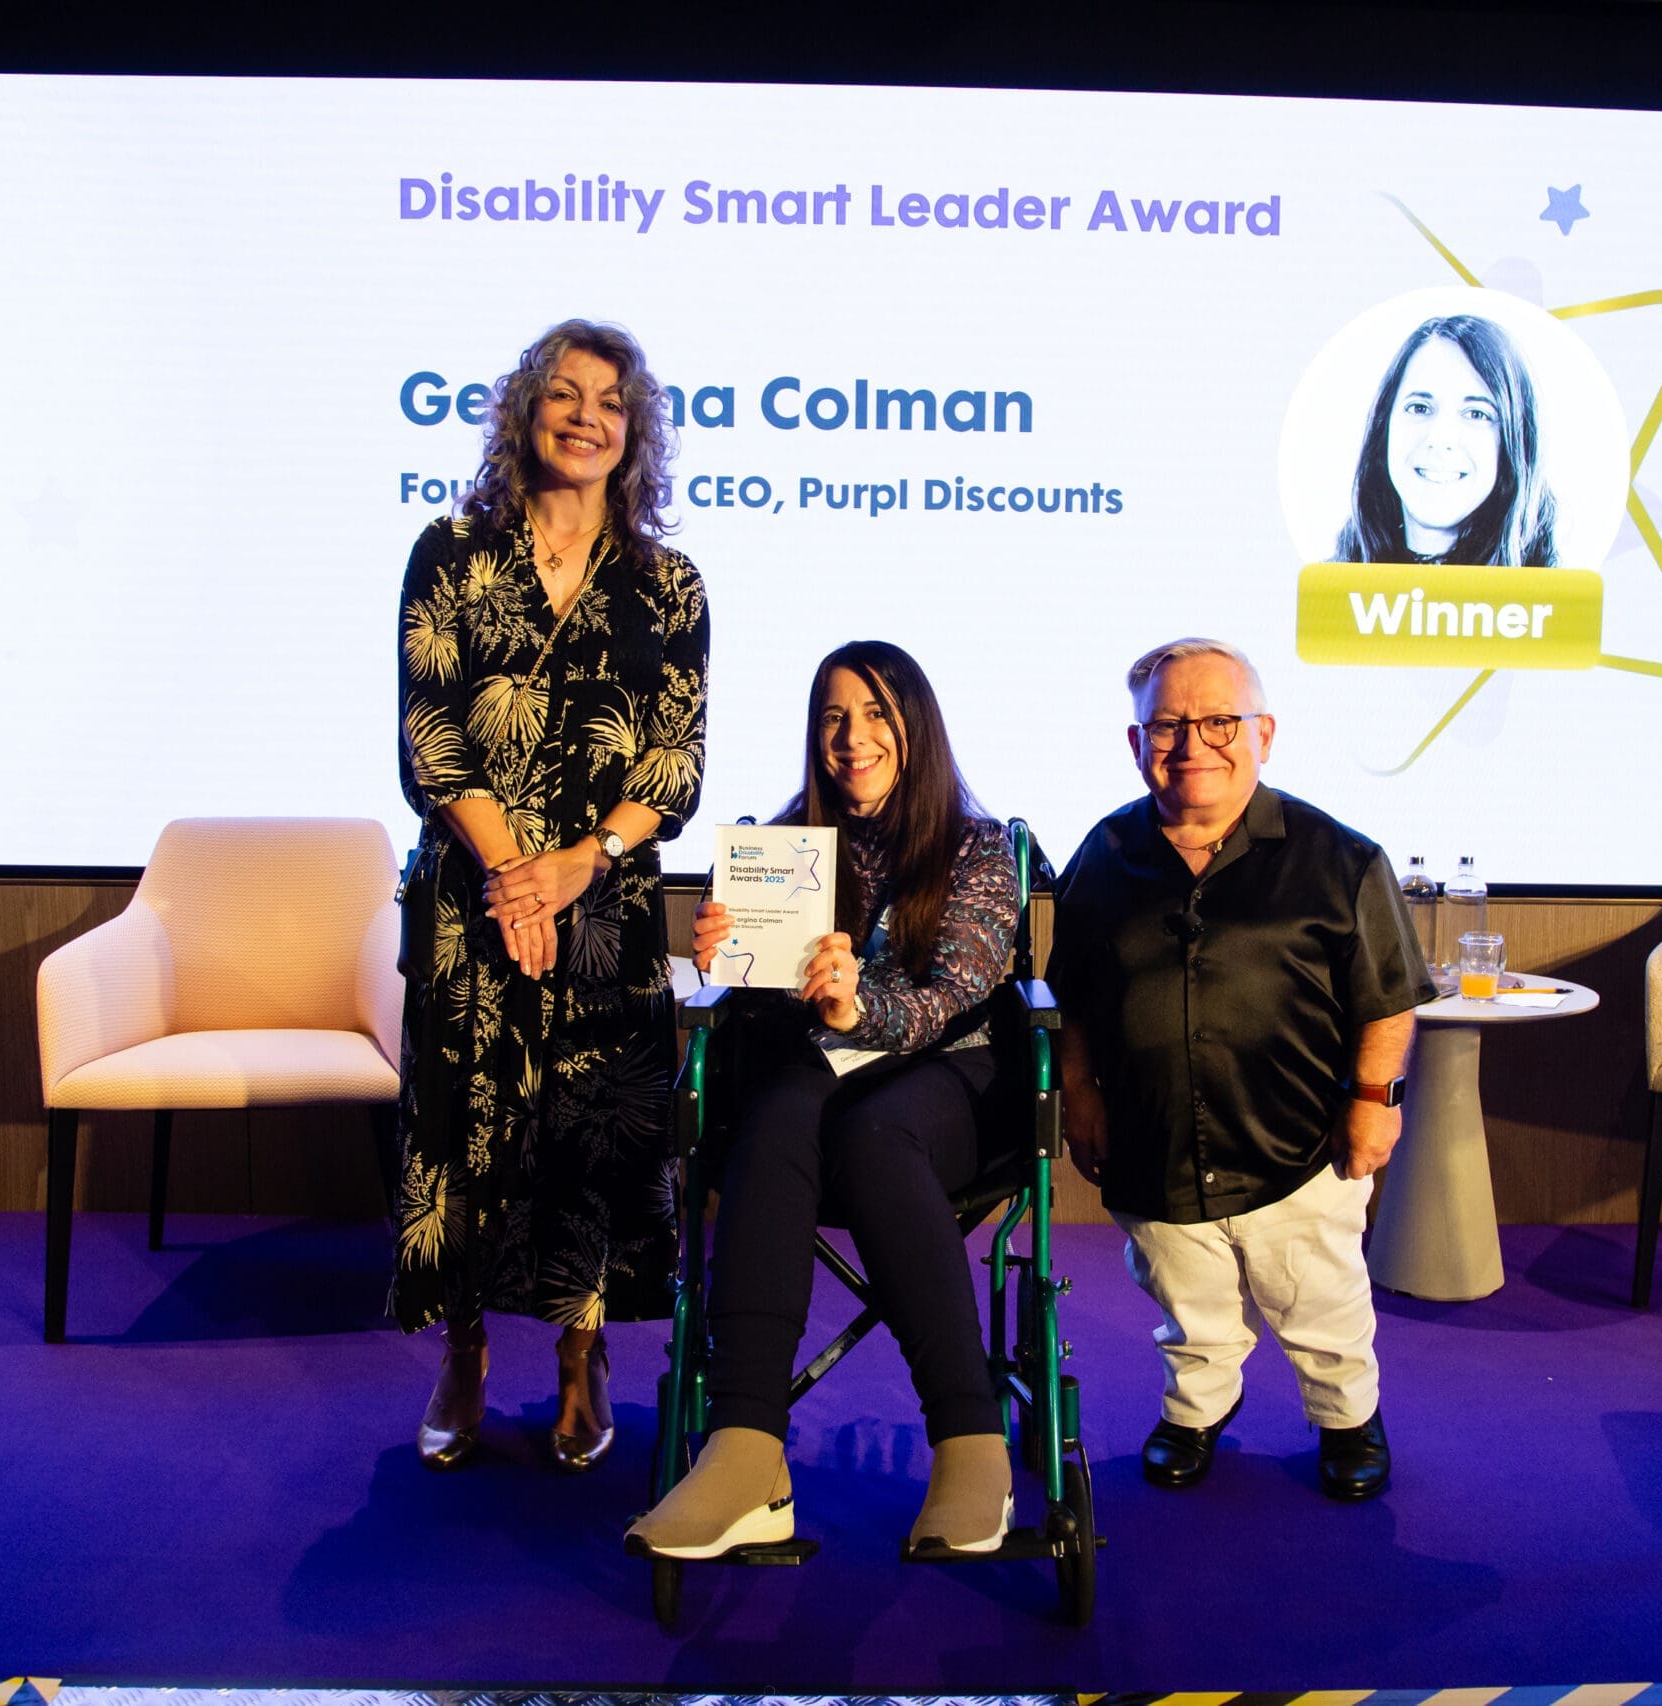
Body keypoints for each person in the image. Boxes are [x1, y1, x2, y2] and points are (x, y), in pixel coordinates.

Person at [391, 318, 709, 1475]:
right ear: (526, 409)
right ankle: (463, 1349)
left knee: (585, 1137)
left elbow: (673, 759)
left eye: (611, 402)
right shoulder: (451, 551)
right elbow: (430, 734)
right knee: (468, 1132)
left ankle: (582, 1353)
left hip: (607, 910)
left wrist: (576, 863)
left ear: (636, 435)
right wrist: (508, 873)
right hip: (472, 909)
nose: (587, 415)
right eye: (565, 393)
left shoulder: (669, 583)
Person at [626, 640, 1024, 1560]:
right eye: (835, 717)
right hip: (817, 1079)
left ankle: (971, 1444)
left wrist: (860, 1002)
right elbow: (755, 1002)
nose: (854, 738)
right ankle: (745, 1454)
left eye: (878, 713)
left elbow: (944, 997)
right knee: (772, 1120)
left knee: (877, 1134)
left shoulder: (976, 848)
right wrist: (727, 958)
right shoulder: (780, 848)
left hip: (943, 1078)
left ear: (915, 725)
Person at [1047, 637, 1435, 1502]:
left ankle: (1346, 1421)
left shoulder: (1341, 858)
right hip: (1153, 1149)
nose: (1193, 744)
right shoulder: (1102, 856)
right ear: (1136, 743)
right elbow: (1072, 1000)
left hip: (1298, 1148)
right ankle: (1196, 1413)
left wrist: (1376, 1100)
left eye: (1218, 721)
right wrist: (1079, 1097)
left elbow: (1386, 997)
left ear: (1264, 732)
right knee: (1191, 1312)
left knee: (1322, 1308)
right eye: (1169, 725)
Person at [1335, 313, 1556, 568]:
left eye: (1477, 414)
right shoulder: (1330, 589)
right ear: (1383, 426)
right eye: (1419, 408)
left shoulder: (1553, 603)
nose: (1440, 438)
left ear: (1513, 445)